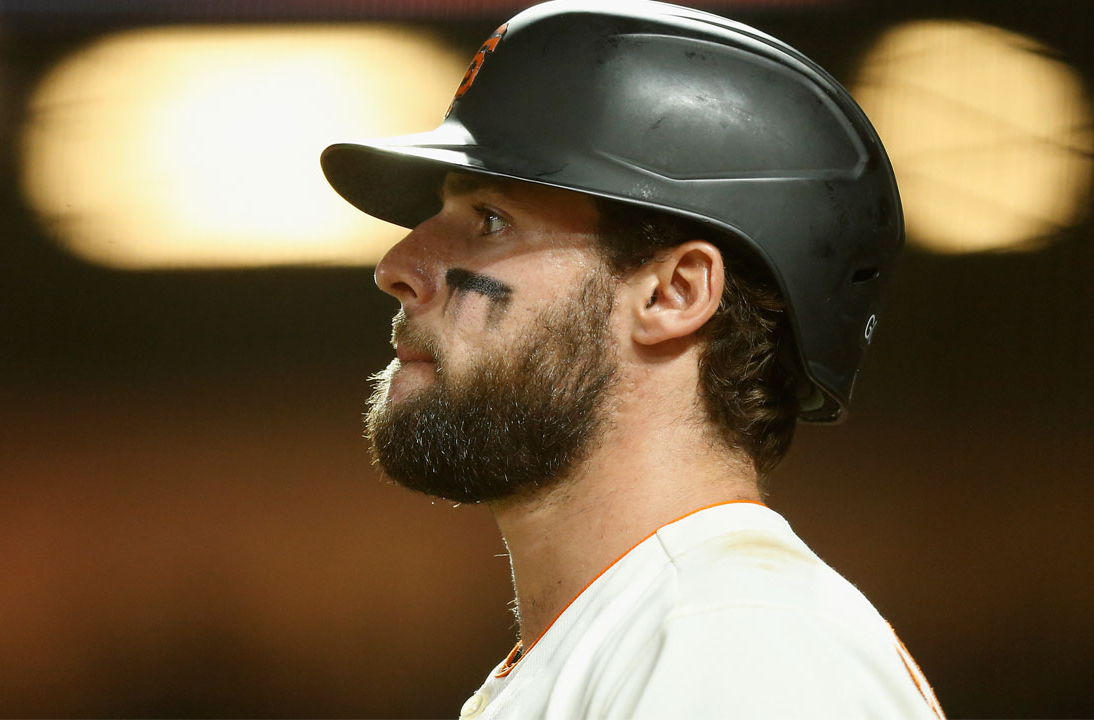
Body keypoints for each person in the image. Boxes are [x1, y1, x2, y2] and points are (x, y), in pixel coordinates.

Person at [321, 1, 945, 717]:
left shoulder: (735, 644)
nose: (397, 264)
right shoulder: (660, 634)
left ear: (674, 294)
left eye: (491, 219)